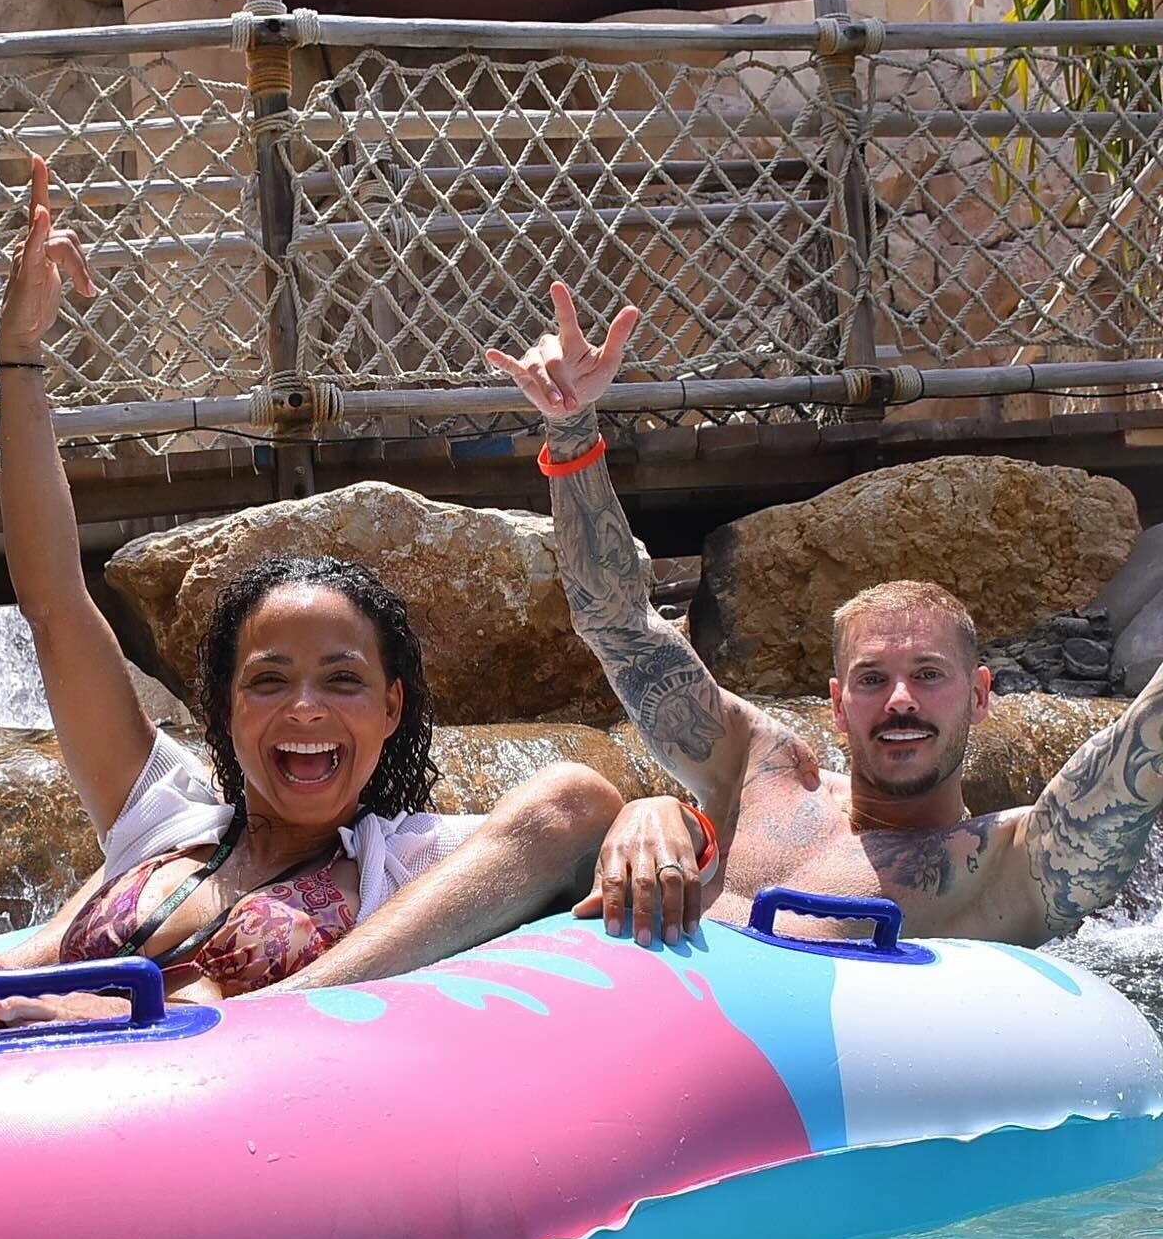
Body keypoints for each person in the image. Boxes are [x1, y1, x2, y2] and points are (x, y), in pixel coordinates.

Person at [0, 171, 636, 1039]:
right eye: (268, 679)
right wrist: (20, 356)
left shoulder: (411, 862)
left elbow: (571, 808)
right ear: (225, 711)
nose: (305, 707)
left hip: (151, 1099)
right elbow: (53, 600)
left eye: (342, 679)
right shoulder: (164, 812)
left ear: (392, 707)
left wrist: (655, 814)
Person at [485, 281, 1163, 949]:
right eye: (872, 679)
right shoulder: (758, 771)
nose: (900, 699)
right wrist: (571, 426)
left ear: (981, 696)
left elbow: (1130, 766)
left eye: (929, 674)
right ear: (837, 705)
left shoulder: (1004, 865)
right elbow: (619, 626)